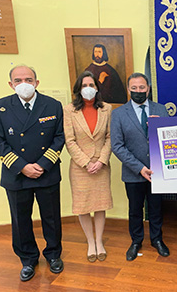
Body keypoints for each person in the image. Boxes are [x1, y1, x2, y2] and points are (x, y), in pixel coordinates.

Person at [0, 65, 65, 281]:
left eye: (28, 79)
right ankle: (27, 259)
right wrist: (22, 167)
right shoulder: (0, 107)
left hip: (47, 172)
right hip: (16, 174)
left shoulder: (52, 105)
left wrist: (42, 164)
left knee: (51, 218)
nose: (23, 83)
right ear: (11, 84)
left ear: (36, 82)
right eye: (18, 80)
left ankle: (53, 255)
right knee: (20, 220)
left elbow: (59, 137)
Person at [111, 72, 170, 260]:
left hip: (157, 171)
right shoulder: (118, 114)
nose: (138, 91)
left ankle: (157, 239)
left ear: (148, 89)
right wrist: (139, 167)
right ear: (128, 89)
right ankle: (136, 241)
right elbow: (117, 146)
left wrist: (159, 126)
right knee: (135, 209)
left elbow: (170, 140)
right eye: (134, 88)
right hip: (133, 172)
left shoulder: (160, 110)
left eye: (142, 87)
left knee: (156, 208)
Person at [63, 71, 113, 263]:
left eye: (91, 85)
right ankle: (90, 242)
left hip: (101, 165)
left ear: (97, 88)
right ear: (78, 89)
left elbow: (109, 137)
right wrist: (86, 162)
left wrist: (100, 161)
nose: (88, 89)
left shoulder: (106, 109)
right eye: (84, 86)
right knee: (83, 207)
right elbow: (70, 140)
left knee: (100, 206)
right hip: (80, 167)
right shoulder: (69, 110)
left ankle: (99, 242)